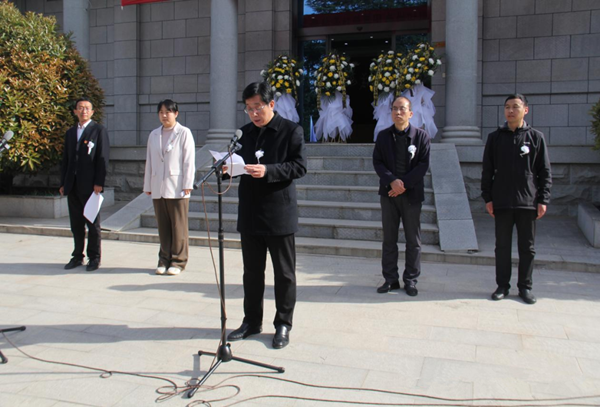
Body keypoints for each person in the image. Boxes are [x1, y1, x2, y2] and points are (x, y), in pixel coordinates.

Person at [226, 82, 307, 349]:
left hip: (279, 213)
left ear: (271, 104)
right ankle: (251, 321)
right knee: (251, 272)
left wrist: (269, 171)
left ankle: (283, 324)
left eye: (257, 107)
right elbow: (235, 164)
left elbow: (299, 166)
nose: (253, 113)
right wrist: (226, 168)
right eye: (248, 108)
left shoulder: (291, 130)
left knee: (284, 274)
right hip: (250, 212)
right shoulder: (244, 133)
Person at [481, 94, 552, 305]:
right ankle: (502, 286)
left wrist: (543, 199)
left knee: (527, 248)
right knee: (502, 246)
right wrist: (488, 197)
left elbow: (544, 171)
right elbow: (487, 170)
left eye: (515, 107)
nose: (510, 111)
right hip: (501, 201)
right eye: (507, 107)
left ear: (525, 110)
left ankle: (525, 287)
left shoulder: (536, 137)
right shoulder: (495, 138)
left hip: (528, 202)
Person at [373, 95, 430, 297]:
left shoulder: (421, 136)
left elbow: (423, 165)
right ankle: (390, 279)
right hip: (389, 194)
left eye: (402, 109)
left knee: (413, 240)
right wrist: (392, 181)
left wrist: (402, 184)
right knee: (389, 239)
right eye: (395, 108)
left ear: (410, 113)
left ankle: (411, 280)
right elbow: (378, 162)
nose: (398, 112)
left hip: (411, 196)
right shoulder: (383, 136)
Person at [143, 99, 196, 276]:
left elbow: (189, 160)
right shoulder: (154, 134)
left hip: (177, 186)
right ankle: (163, 259)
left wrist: (188, 183)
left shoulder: (184, 133)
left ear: (176, 113)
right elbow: (150, 161)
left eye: (168, 112)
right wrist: (148, 184)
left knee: (178, 226)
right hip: (158, 185)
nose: (164, 115)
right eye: (161, 112)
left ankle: (178, 261)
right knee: (163, 226)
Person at [60, 97, 110, 272]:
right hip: (72, 184)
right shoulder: (70, 132)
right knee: (76, 224)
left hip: (90, 186)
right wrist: (63, 182)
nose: (84, 111)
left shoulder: (98, 130)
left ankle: (94, 258)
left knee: (92, 223)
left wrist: (99, 182)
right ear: (75, 111)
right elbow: (66, 160)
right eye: (80, 108)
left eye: (87, 108)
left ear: (92, 112)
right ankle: (77, 256)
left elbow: (103, 158)